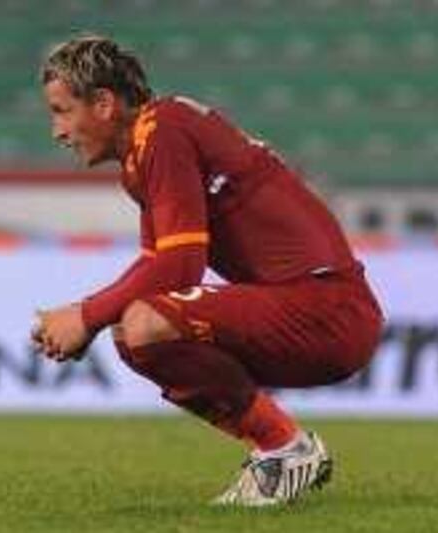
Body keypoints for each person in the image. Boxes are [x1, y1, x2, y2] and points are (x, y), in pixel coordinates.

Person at [31, 34, 383, 507]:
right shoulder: (146, 149)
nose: (57, 131)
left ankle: (283, 449)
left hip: (327, 310)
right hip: (317, 310)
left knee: (145, 324)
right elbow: (160, 261)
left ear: (103, 103)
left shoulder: (163, 131)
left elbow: (180, 266)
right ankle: (282, 452)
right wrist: (90, 320)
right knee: (133, 327)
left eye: (61, 110)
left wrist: (85, 314)